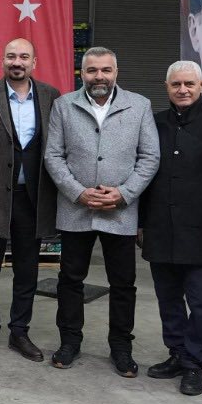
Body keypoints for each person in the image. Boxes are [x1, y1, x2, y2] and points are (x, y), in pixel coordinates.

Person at [43, 47, 159, 376]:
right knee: (70, 280)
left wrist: (124, 194)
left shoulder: (139, 105)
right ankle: (69, 341)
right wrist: (78, 192)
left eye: (106, 70)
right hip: (75, 210)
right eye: (92, 70)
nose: (99, 76)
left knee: (123, 283)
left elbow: (150, 156)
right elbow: (53, 155)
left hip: (120, 212)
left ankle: (121, 347)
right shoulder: (64, 105)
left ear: (116, 72)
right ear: (82, 73)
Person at [139, 60, 202, 395]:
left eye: (189, 84)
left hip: (201, 229)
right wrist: (141, 223)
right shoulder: (153, 123)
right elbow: (143, 174)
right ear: (166, 87)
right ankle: (176, 353)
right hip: (160, 225)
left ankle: (194, 363)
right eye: (176, 84)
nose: (183, 90)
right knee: (168, 298)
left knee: (201, 302)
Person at [0, 38, 61, 361]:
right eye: (11, 56)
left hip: (33, 197)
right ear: (2, 61)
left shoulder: (51, 96)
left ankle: (20, 332)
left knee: (27, 270)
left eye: (24, 56)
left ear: (34, 63)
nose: (17, 62)